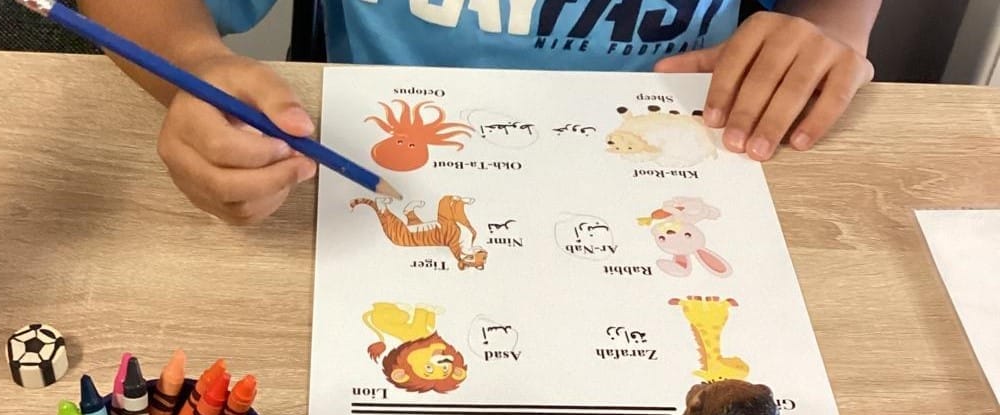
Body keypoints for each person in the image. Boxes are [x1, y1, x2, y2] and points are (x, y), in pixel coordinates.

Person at [77, 0, 880, 225]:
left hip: (688, 161)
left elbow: (832, 18)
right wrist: (197, 68)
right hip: (376, 171)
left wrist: (828, 34)